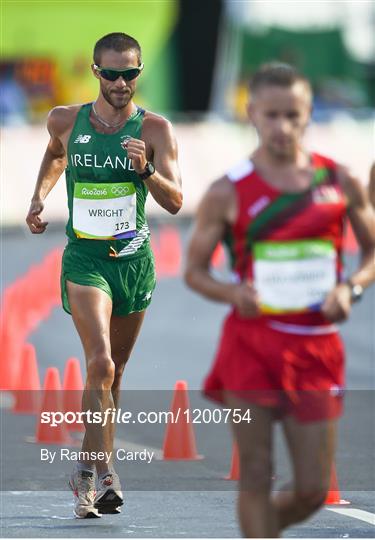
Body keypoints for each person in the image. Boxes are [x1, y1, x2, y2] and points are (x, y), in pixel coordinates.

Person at [185, 63, 375, 538]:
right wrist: (232, 292)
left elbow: (372, 252)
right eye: (271, 115)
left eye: (293, 115)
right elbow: (194, 270)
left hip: (316, 348)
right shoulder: (228, 190)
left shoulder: (340, 180)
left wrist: (350, 287)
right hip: (251, 345)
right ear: (251, 113)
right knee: (254, 472)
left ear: (310, 113)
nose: (282, 127)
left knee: (312, 488)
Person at [26, 32, 182, 519]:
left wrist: (145, 173)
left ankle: (94, 463)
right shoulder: (66, 119)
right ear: (96, 71)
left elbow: (175, 201)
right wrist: (39, 197)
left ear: (139, 73)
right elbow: (55, 153)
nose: (120, 83)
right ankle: (96, 476)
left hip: (134, 261)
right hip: (85, 260)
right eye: (111, 73)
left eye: (130, 74)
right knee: (101, 363)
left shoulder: (155, 129)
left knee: (114, 376)